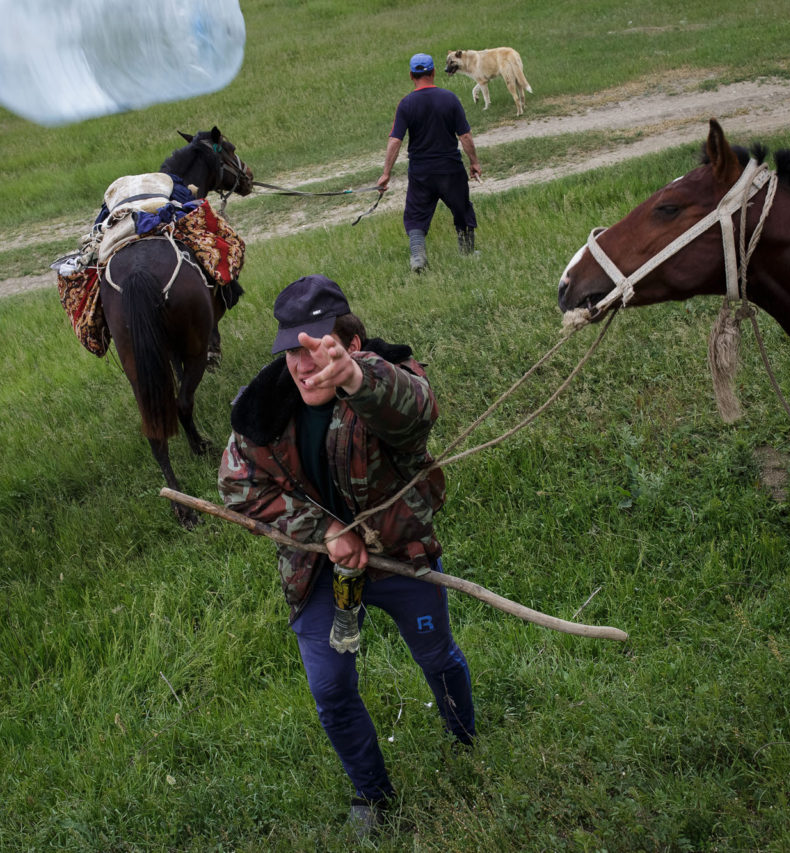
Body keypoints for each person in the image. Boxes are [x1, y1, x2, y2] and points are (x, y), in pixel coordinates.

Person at [219, 274, 476, 836]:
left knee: (437, 657)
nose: (304, 366)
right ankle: (371, 794)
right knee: (331, 687)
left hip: (400, 556)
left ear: (351, 342)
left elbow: (417, 414)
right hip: (317, 573)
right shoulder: (261, 409)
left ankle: (465, 739)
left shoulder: (386, 383)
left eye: (318, 349)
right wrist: (325, 528)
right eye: (292, 351)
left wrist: (358, 378)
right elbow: (239, 487)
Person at [375, 53, 482, 272]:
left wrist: (386, 173)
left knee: (416, 215)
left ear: (411, 76)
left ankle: (418, 257)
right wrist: (474, 163)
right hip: (450, 169)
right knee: (461, 209)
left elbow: (395, 140)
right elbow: (465, 136)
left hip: (421, 173)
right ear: (433, 73)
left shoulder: (405, 104)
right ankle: (468, 254)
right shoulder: (449, 98)